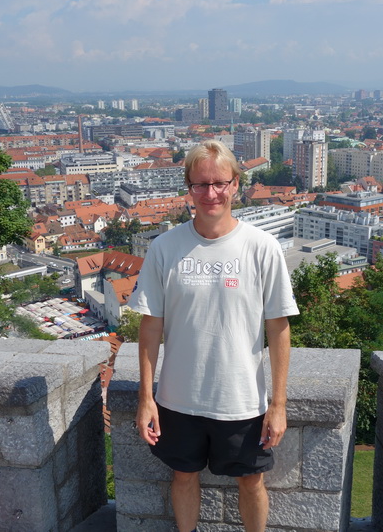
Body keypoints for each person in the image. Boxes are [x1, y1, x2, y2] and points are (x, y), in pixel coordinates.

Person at [128, 139, 299, 532]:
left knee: (252, 480)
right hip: (177, 397)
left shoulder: (262, 248)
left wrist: (279, 404)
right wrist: (146, 398)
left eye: (219, 183)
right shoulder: (165, 248)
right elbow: (150, 326)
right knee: (183, 477)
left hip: (241, 397)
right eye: (200, 184)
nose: (210, 193)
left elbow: (278, 327)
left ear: (236, 184)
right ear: (188, 187)